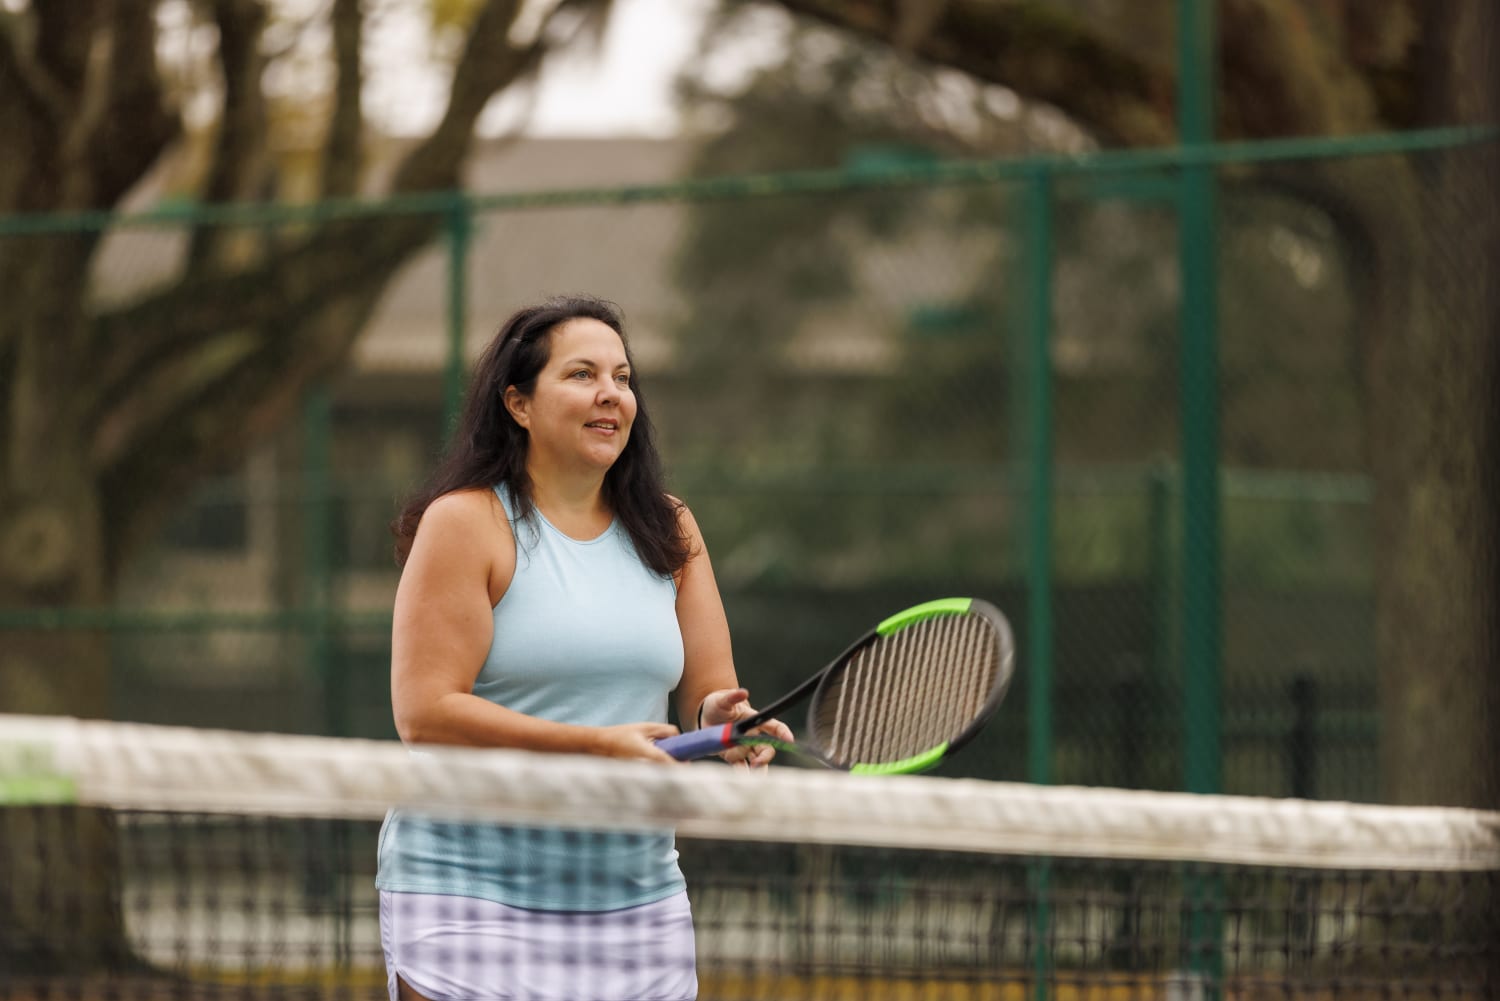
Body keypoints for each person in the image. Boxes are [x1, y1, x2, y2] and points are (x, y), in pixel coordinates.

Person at [375, 294, 792, 1001]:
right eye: (581, 374)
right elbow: (426, 713)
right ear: (518, 403)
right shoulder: (466, 522)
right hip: (469, 894)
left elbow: (707, 696)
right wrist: (595, 745)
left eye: (622, 378)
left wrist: (724, 723)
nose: (611, 393)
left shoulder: (671, 528)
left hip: (635, 898)